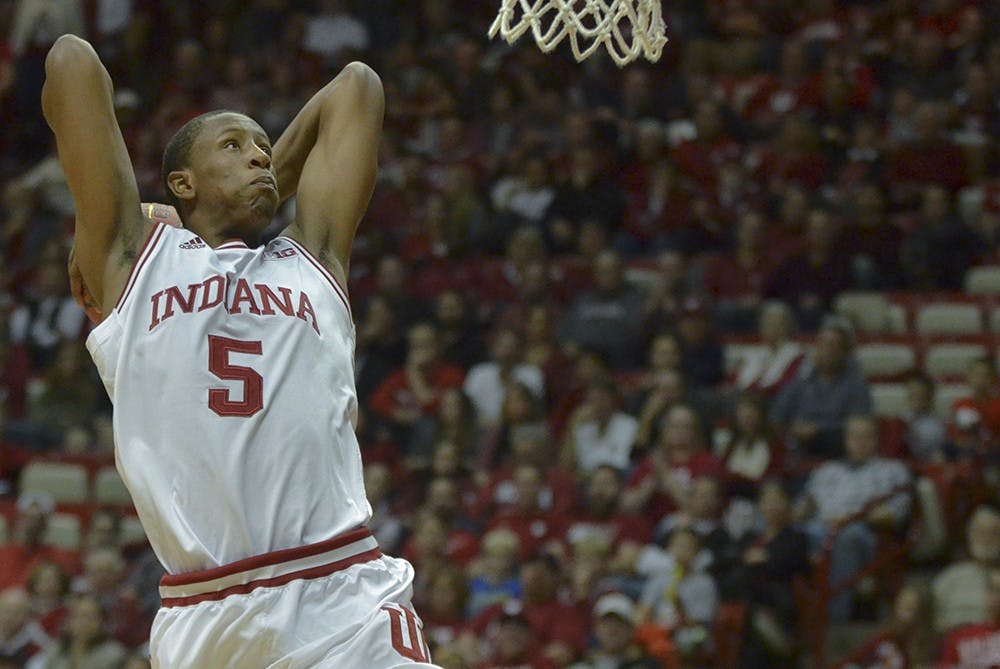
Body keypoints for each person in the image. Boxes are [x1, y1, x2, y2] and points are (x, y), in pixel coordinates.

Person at [43, 34, 439, 668]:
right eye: (234, 146)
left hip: (341, 592)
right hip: (203, 616)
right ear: (181, 181)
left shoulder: (311, 259)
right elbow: (70, 62)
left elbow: (356, 87)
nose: (259, 157)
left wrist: (258, 186)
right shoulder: (134, 259)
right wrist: (175, 217)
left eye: (264, 148)